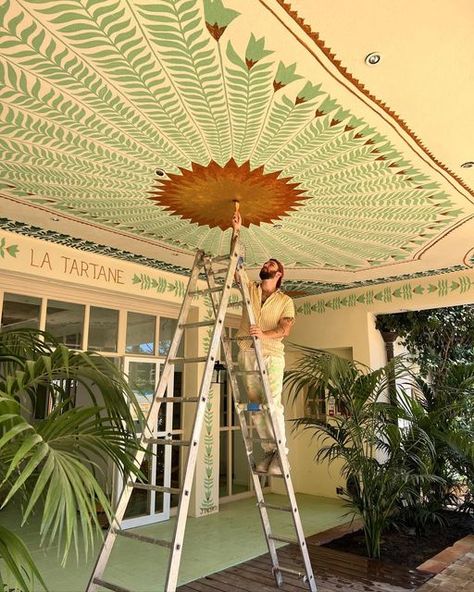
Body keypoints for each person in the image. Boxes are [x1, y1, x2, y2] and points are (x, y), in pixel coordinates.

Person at [231, 209, 295, 476]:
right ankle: (269, 451)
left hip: (270, 354)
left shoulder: (285, 301)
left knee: (272, 404)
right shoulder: (251, 290)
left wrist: (264, 335)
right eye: (266, 264)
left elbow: (285, 328)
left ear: (279, 274)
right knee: (256, 406)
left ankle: (282, 454)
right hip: (247, 351)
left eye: (271, 265)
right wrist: (236, 231)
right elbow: (237, 265)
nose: (266, 266)